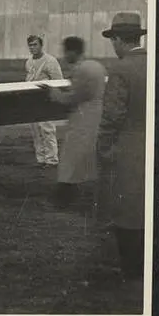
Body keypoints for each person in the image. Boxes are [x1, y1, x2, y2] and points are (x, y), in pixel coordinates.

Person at [96, 12, 148, 282]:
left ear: (118, 39)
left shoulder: (121, 69)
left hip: (128, 150)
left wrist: (103, 151)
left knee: (127, 211)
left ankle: (132, 271)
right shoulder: (155, 65)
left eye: (113, 40)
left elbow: (111, 118)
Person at [40, 36, 107, 209]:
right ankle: (76, 194)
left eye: (66, 52)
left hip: (81, 118)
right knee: (85, 158)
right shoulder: (96, 66)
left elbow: (73, 98)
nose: (64, 56)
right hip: (96, 116)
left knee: (71, 159)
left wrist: (53, 94)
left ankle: (63, 199)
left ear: (72, 52)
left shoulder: (82, 69)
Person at [25, 34, 64, 166]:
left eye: (35, 44)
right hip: (32, 98)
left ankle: (52, 159)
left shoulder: (50, 61)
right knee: (35, 130)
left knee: (47, 129)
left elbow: (58, 80)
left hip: (45, 98)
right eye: (30, 45)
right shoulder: (29, 61)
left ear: (41, 45)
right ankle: (41, 158)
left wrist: (53, 96)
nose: (32, 48)